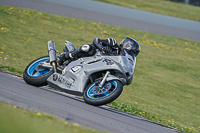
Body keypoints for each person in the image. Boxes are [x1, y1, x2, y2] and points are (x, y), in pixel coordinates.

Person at [57, 37, 140, 65]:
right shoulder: (113, 43)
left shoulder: (121, 61)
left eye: (133, 53)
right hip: (91, 55)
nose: (130, 54)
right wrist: (102, 48)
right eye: (131, 51)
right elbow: (96, 40)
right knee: (88, 48)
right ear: (126, 46)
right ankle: (65, 56)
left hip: (95, 64)